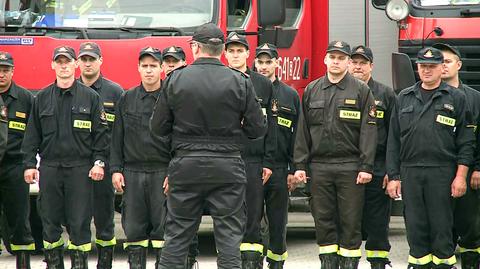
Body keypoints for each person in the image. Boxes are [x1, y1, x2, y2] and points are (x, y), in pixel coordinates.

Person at [150, 23, 267, 269]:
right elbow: (258, 129)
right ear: (222, 50)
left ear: (195, 47)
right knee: (228, 239)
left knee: (177, 236)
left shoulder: (175, 79)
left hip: (186, 165)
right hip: (227, 166)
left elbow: (158, 128)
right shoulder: (240, 81)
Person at [386, 47, 474, 269]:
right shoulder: (404, 98)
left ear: (440, 68)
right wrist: (394, 176)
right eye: (423, 66)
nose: (427, 70)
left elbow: (466, 142)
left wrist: (461, 176)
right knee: (416, 229)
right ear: (417, 68)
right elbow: (393, 142)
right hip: (410, 172)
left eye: (432, 66)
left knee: (442, 229)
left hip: (442, 172)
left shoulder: (456, 98)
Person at [22, 45, 109, 269]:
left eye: (67, 61)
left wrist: (99, 163)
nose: (63, 66)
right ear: (53, 65)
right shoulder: (40, 98)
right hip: (50, 169)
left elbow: (101, 136)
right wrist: (30, 164)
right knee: (49, 223)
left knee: (79, 223)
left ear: (75, 65)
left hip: (80, 169)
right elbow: (32, 135)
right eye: (59, 62)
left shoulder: (91, 97)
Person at [293, 40, 377, 269]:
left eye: (341, 58)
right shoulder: (312, 89)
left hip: (350, 167)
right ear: (325, 60)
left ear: (348, 62)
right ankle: (328, 264)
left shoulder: (361, 90)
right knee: (323, 221)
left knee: (350, 222)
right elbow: (303, 130)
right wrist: (300, 165)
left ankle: (349, 265)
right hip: (319, 167)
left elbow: (369, 130)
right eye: (333, 57)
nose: (336, 62)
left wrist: (366, 166)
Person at [110, 47, 169, 269]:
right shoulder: (127, 98)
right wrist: (116, 169)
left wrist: (173, 173)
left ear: (162, 68)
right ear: (138, 68)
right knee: (134, 230)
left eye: (153, 66)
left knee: (163, 230)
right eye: (144, 66)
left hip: (162, 172)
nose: (149, 70)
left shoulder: (171, 99)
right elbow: (117, 137)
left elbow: (179, 140)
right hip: (132, 174)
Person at [224, 31, 277, 269]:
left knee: (253, 217)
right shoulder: (218, 79)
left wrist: (268, 160)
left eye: (240, 50)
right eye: (231, 51)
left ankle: (252, 264)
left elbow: (272, 127)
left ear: (248, 54)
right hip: (224, 160)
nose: (235, 55)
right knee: (226, 216)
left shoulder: (263, 84)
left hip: (254, 161)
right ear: (224, 54)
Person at [432, 43, 480, 269]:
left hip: (468, 173)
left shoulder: (475, 98)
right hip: (437, 172)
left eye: (448, 61)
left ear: (459, 65)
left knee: (470, 226)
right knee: (442, 228)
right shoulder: (425, 94)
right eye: (439, 61)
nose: (442, 66)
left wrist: (478, 168)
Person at [77, 42, 123, 269]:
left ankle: (105, 263)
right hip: (76, 167)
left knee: (105, 219)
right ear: (78, 63)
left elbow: (121, 133)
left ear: (100, 61)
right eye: (84, 59)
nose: (87, 63)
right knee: (77, 219)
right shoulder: (68, 90)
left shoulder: (115, 92)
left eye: (91, 59)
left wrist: (116, 166)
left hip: (105, 166)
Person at [348, 45, 395, 269]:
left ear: (371, 66)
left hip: (377, 167)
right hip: (348, 166)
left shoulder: (386, 94)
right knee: (349, 222)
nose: (358, 67)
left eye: (362, 63)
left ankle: (378, 262)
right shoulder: (341, 91)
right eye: (354, 62)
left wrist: (391, 170)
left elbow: (395, 136)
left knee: (377, 222)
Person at [254, 43, 300, 269]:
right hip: (252, 166)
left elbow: (297, 136)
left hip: (280, 170)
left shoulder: (290, 95)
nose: (263, 67)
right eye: (260, 62)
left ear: (277, 63)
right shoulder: (248, 89)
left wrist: (293, 169)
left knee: (278, 224)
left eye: (268, 62)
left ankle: (276, 264)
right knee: (250, 223)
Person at [0, 51, 36, 269]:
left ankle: (23, 264)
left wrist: (30, 164)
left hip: (15, 167)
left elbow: (33, 135)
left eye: (5, 70)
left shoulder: (25, 98)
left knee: (20, 222)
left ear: (12, 71)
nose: (1, 75)